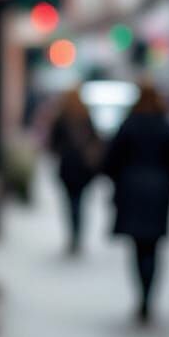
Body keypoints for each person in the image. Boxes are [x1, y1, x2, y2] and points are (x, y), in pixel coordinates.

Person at [102, 83, 169, 323]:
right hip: (158, 192)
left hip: (131, 189)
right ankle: (148, 298)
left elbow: (111, 159)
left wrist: (117, 180)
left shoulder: (129, 125)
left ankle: (142, 298)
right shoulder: (165, 126)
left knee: (137, 247)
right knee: (152, 247)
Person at [48, 86, 101, 254]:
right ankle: (78, 235)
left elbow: (53, 143)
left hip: (68, 167)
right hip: (82, 168)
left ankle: (73, 236)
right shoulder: (86, 117)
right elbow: (95, 139)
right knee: (80, 203)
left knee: (70, 203)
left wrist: (63, 151)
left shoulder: (61, 118)